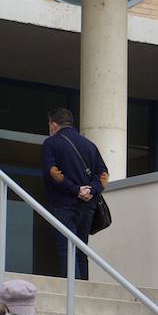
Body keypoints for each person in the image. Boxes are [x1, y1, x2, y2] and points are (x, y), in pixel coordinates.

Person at [40, 107, 107, 281]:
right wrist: (91, 190)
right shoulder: (90, 145)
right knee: (81, 249)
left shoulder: (51, 143)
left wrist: (75, 190)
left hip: (63, 204)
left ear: (54, 125)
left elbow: (52, 173)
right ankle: (84, 290)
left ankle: (73, 292)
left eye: (49, 125)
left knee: (66, 249)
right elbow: (103, 174)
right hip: (88, 206)